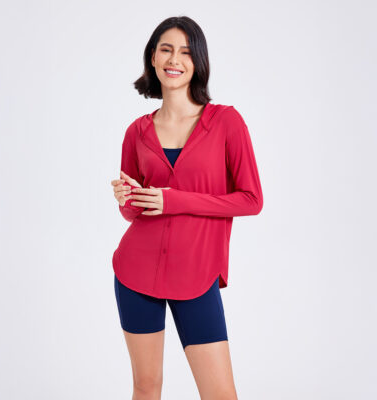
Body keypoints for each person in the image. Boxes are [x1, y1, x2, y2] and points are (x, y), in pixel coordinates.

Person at [110, 16, 263, 400]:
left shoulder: (226, 122)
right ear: (153, 58)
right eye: (166, 49)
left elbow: (251, 199)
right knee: (146, 387)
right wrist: (127, 200)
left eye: (185, 51)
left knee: (220, 393)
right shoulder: (137, 131)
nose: (174, 59)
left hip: (197, 273)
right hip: (136, 271)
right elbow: (135, 213)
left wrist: (173, 199)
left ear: (198, 61)